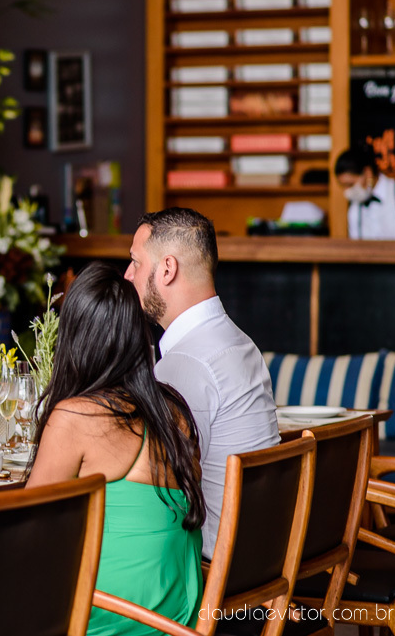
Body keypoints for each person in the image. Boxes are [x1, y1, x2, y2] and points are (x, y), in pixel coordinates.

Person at [27, 263, 205, 636]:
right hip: (176, 610)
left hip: (113, 614)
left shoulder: (76, 415)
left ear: (74, 336)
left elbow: (28, 530)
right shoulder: (173, 409)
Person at [124, 207, 279, 557]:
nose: (128, 273)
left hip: (214, 568)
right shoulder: (239, 341)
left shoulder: (185, 362)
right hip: (260, 556)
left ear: (167, 269)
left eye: (136, 261)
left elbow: (156, 488)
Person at [334, 146, 395, 240]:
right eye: (343, 186)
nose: (347, 191)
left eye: (350, 184)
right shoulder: (354, 210)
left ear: (367, 172)